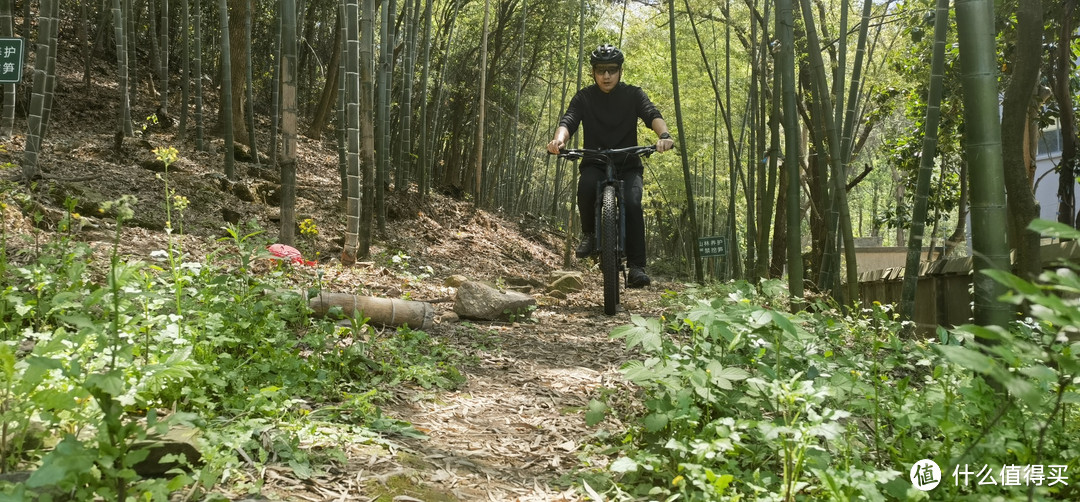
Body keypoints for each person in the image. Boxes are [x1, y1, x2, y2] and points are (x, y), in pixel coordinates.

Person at [546, 44, 675, 288]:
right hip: (595, 160)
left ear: (620, 71)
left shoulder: (633, 94)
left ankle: (637, 266)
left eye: (612, 70)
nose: (607, 76)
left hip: (628, 162)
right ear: (593, 72)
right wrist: (558, 141)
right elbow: (569, 120)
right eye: (601, 70)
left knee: (633, 202)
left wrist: (664, 136)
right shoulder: (584, 97)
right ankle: (589, 234)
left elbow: (651, 114)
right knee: (585, 187)